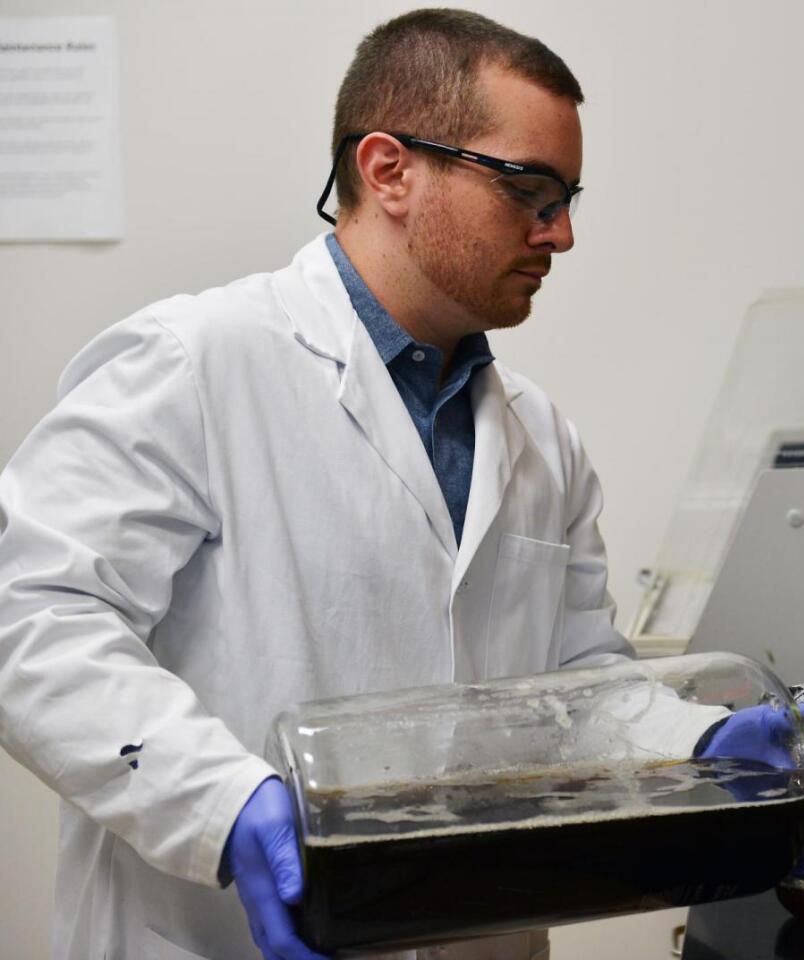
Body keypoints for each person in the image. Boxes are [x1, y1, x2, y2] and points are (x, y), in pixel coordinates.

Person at [0, 10, 630, 960]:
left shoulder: (542, 436)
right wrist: (226, 800)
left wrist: (704, 745)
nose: (562, 232)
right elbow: (29, 618)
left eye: (568, 195)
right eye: (529, 189)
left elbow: (582, 685)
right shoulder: (194, 363)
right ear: (389, 171)